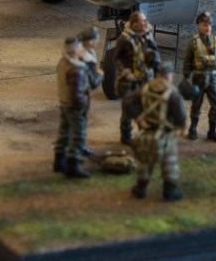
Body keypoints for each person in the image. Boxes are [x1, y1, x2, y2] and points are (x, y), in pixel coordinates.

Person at [123, 62, 187, 201]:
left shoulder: (145, 88)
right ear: (169, 76)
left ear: (158, 74)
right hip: (166, 133)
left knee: (145, 161)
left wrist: (138, 117)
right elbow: (180, 115)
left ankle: (140, 188)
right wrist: (180, 127)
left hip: (147, 130)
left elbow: (127, 101)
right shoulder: (173, 94)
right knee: (169, 162)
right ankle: (170, 191)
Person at [54, 27, 104, 178]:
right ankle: (73, 166)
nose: (80, 49)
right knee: (78, 135)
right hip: (74, 105)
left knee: (64, 132)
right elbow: (77, 92)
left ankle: (59, 161)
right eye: (78, 47)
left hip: (64, 102)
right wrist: (80, 107)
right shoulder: (76, 70)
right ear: (74, 50)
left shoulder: (63, 62)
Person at [114, 10, 160, 145]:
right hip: (130, 81)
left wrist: (156, 70)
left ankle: (143, 133)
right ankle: (126, 136)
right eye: (143, 21)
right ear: (134, 25)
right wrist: (125, 72)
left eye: (145, 20)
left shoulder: (148, 36)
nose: (146, 23)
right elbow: (116, 59)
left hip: (145, 78)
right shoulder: (124, 39)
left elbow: (155, 53)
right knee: (128, 110)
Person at [182, 11, 216, 142]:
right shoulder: (194, 42)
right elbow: (187, 60)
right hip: (199, 77)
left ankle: (212, 131)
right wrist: (186, 77)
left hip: (213, 78)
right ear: (199, 25)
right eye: (204, 25)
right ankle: (192, 129)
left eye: (209, 25)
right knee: (196, 105)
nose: (207, 27)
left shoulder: (215, 40)